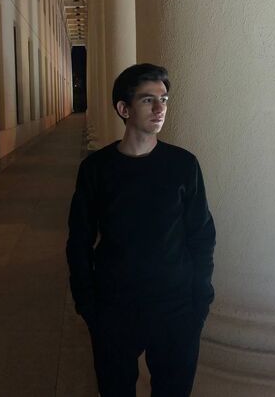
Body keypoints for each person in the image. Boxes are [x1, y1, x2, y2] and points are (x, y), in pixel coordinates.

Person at [66, 63, 216, 397]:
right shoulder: (96, 170)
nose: (160, 108)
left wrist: (200, 301)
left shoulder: (183, 165)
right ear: (124, 109)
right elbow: (79, 240)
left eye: (164, 99)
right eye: (148, 100)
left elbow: (202, 235)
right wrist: (88, 305)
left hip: (176, 307)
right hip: (115, 307)